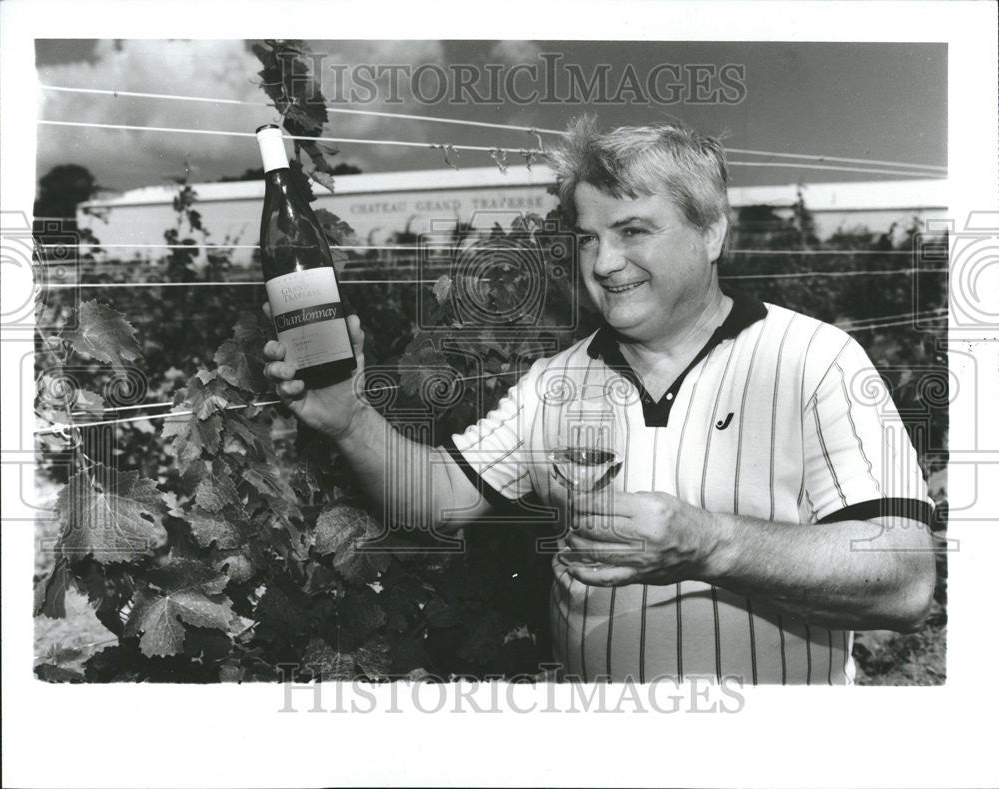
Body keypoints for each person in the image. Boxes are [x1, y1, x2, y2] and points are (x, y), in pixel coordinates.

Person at [262, 116, 936, 685]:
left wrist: (711, 543)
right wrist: (351, 417)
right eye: (588, 238)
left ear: (712, 234)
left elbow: (906, 579)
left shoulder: (815, 360)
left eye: (633, 231)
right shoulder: (554, 381)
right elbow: (436, 497)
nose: (604, 264)